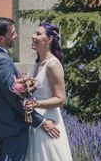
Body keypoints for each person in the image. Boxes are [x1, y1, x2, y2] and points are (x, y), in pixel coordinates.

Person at [0, 17, 60, 161]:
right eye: (12, 34)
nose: (16, 36)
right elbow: (13, 97)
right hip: (13, 127)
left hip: (5, 126)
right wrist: (41, 122)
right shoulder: (0, 60)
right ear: (0, 38)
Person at [25, 22, 73, 161]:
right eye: (34, 33)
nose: (33, 36)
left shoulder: (52, 64)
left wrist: (35, 104)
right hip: (36, 121)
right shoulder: (37, 63)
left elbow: (61, 99)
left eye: (38, 34)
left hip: (49, 121)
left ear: (50, 39)